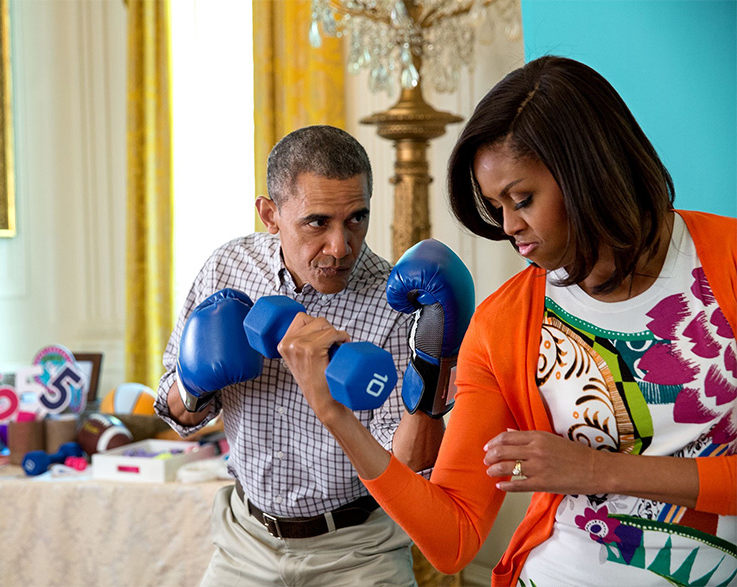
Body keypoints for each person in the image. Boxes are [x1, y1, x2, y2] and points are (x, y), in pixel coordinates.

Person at [279, 56, 736, 586]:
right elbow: (453, 535)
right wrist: (337, 419)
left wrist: (592, 469)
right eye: (497, 206)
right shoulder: (505, 323)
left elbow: (577, 469)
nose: (509, 227)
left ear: (589, 170)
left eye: (522, 199)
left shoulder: (722, 262)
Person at [153, 125, 446, 586]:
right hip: (245, 543)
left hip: (359, 551)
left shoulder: (397, 302)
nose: (341, 246)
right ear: (270, 214)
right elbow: (174, 414)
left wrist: (436, 362)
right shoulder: (228, 267)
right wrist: (193, 382)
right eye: (318, 222)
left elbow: (410, 467)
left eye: (356, 218)